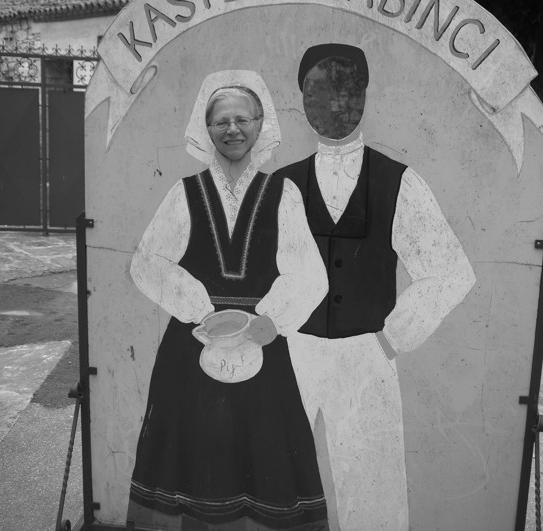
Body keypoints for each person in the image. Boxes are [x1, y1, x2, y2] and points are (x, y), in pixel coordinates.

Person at [274, 44, 477, 530]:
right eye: (315, 91)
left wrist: (391, 339)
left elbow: (450, 270)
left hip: (367, 358)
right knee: (276, 481)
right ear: (301, 101)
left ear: (363, 95)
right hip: (292, 354)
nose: (332, 103)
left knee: (373, 489)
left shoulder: (399, 182)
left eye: (344, 89)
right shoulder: (281, 185)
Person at [126, 70, 329, 530]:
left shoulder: (282, 193)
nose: (232, 130)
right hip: (192, 347)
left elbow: (308, 273)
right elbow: (147, 263)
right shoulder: (185, 192)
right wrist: (200, 311)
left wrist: (271, 320)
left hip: (263, 345)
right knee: (194, 454)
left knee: (266, 449)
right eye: (221, 121)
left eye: (242, 119)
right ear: (206, 128)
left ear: (260, 124)